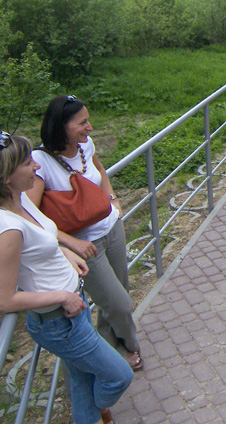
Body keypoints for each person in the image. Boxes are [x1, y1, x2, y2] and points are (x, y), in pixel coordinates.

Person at [0, 131, 133, 424]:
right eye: (26, 163)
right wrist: (63, 296)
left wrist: (64, 251)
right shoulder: (6, 229)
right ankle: (98, 411)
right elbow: (2, 301)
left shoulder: (18, 199)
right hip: (59, 321)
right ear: (5, 177)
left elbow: (39, 240)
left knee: (82, 382)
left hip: (73, 309)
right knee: (119, 375)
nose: (36, 166)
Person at [27, 95, 143, 371]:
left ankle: (112, 348)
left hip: (111, 228)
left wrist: (113, 199)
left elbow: (100, 170)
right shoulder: (40, 161)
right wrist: (70, 243)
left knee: (117, 295)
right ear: (61, 126)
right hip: (84, 245)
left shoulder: (85, 145)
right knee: (118, 303)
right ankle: (129, 346)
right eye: (82, 123)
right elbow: (30, 215)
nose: (89, 127)